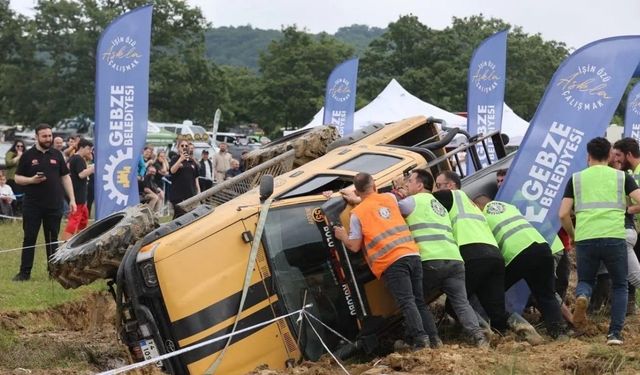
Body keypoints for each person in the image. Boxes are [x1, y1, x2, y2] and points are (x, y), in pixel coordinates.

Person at [333, 172, 441, 350]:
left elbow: (353, 246)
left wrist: (342, 236)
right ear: (374, 185)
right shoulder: (389, 198)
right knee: (418, 300)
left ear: (358, 192)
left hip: (391, 262)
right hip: (411, 254)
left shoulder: (356, 214)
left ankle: (421, 341)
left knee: (407, 302)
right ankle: (435, 339)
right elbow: (378, 206)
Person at [559, 137, 640, 345]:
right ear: (610, 156)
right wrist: (626, 209)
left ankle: (583, 296)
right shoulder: (621, 177)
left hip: (586, 237)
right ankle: (614, 334)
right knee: (621, 285)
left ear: (589, 156)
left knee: (586, 280)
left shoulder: (576, 179)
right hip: (614, 236)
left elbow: (563, 214)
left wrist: (574, 235)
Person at [399, 169, 488, 347]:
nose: (407, 185)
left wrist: (396, 192)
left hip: (430, 260)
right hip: (454, 260)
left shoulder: (412, 202)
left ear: (419, 185)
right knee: (461, 303)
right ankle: (479, 336)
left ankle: (432, 340)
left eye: (409, 182)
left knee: (416, 301)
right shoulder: (439, 205)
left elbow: (389, 209)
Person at [475, 195, 567, 339]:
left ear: (478, 206)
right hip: (542, 249)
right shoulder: (509, 207)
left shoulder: (482, 217)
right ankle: (559, 333)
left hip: (517, 255)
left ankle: (501, 329)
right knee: (546, 294)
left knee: (494, 293)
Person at [433, 170, 510, 333]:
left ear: (451, 186)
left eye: (438, 185)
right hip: (494, 255)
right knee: (495, 307)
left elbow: (424, 200)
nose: (436, 189)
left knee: (455, 302)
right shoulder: (471, 204)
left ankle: (483, 333)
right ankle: (520, 330)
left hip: (472, 253)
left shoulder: (451, 196)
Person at [13, 124, 76, 281]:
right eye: (44, 136)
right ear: (36, 137)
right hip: (32, 205)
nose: (48, 139)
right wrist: (31, 180)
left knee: (52, 239)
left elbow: (65, 177)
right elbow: (17, 178)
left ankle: (53, 272)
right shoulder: (27, 156)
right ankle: (24, 273)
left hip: (54, 205)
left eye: (50, 135)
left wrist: (72, 199)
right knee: (29, 238)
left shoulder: (57, 154)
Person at [612, 137, 640, 314]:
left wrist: (627, 210)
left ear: (629, 154)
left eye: (619, 155)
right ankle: (630, 305)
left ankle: (630, 305)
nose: (616, 159)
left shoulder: (636, 175)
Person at [61, 138, 94, 241]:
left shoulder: (72, 158)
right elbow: (81, 174)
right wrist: (94, 168)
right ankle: (65, 243)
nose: (90, 151)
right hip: (78, 195)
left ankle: (80, 239)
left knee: (84, 217)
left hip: (76, 194)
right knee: (74, 219)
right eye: (89, 149)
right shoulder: (79, 159)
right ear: (82, 147)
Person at [169, 139, 200, 219]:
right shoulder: (175, 159)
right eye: (182, 145)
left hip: (190, 193)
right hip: (178, 194)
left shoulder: (192, 161)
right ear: (178, 147)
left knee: (190, 217)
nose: (184, 147)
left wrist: (198, 191)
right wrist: (180, 159)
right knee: (178, 217)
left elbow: (196, 177)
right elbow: (172, 171)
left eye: (186, 146)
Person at [4, 140, 25, 215]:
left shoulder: (25, 155)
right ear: (15, 146)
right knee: (12, 198)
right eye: (18, 146)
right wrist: (18, 156)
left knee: (20, 198)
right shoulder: (11, 153)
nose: (20, 148)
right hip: (11, 179)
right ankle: (10, 213)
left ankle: (17, 214)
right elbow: (8, 163)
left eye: (21, 146)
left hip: (21, 179)